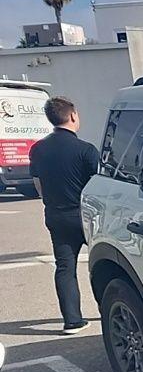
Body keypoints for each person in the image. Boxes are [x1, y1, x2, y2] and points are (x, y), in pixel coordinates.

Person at [29, 96, 99, 335]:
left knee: (65, 267)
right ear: (72, 116)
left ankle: (72, 320)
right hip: (86, 216)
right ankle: (108, 309)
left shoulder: (37, 149)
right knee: (103, 261)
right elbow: (99, 186)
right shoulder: (86, 150)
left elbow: (38, 184)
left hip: (56, 215)